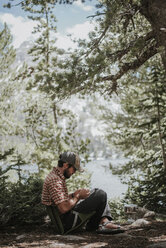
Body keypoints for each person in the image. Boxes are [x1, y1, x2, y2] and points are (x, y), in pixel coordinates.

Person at [42, 151, 124, 233]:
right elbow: (63, 208)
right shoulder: (55, 180)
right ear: (66, 165)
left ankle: (103, 222)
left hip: (65, 218)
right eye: (74, 169)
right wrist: (78, 196)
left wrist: (74, 194)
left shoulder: (55, 177)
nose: (74, 172)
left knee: (94, 192)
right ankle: (100, 224)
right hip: (66, 223)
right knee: (100, 194)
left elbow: (60, 201)